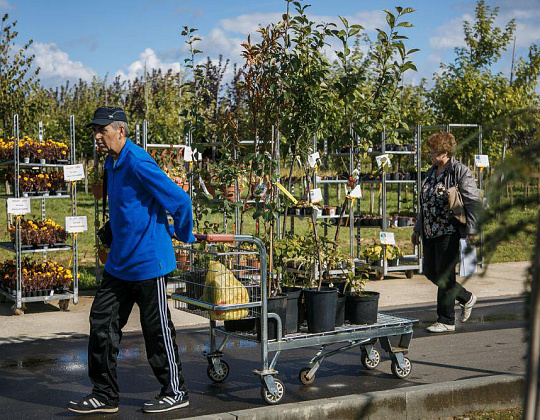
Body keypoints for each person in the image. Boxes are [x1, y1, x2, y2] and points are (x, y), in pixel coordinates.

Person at [68, 106, 195, 414]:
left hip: (149, 262)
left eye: (103, 130)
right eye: (95, 131)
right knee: (102, 323)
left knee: (156, 332)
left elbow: (179, 200)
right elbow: (130, 206)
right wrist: (113, 229)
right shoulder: (112, 164)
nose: (97, 136)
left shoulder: (138, 161)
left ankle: (175, 391)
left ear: (120, 131)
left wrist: (184, 233)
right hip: (120, 264)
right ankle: (104, 394)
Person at [411, 132, 480, 333]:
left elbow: (472, 202)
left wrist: (472, 230)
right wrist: (417, 229)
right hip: (430, 231)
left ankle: (446, 319)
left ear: (445, 152)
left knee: (444, 275)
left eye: (433, 152)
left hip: (449, 230)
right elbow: (425, 203)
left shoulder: (460, 171)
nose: (430, 155)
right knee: (430, 272)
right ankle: (466, 297)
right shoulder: (431, 172)